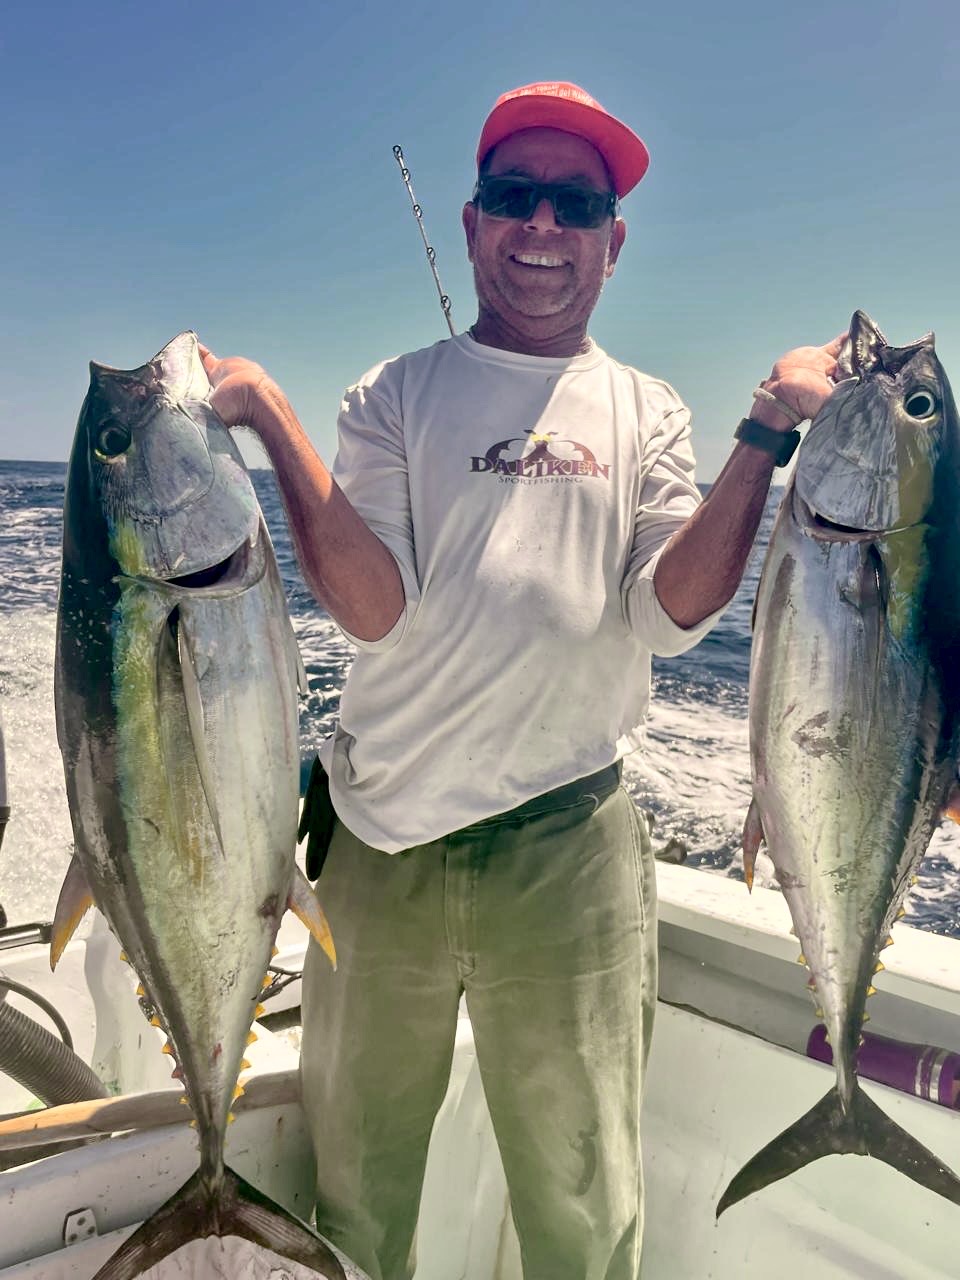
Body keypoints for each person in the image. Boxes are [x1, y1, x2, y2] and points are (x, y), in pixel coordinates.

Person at [200, 81, 841, 1280]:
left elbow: (666, 612)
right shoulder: (392, 394)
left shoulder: (647, 407)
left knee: (584, 1196)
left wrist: (765, 434)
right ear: (473, 217)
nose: (542, 228)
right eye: (515, 196)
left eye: (576, 203)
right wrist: (278, 422)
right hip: (380, 845)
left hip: (567, 844)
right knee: (354, 1183)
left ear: (614, 238)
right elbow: (372, 610)